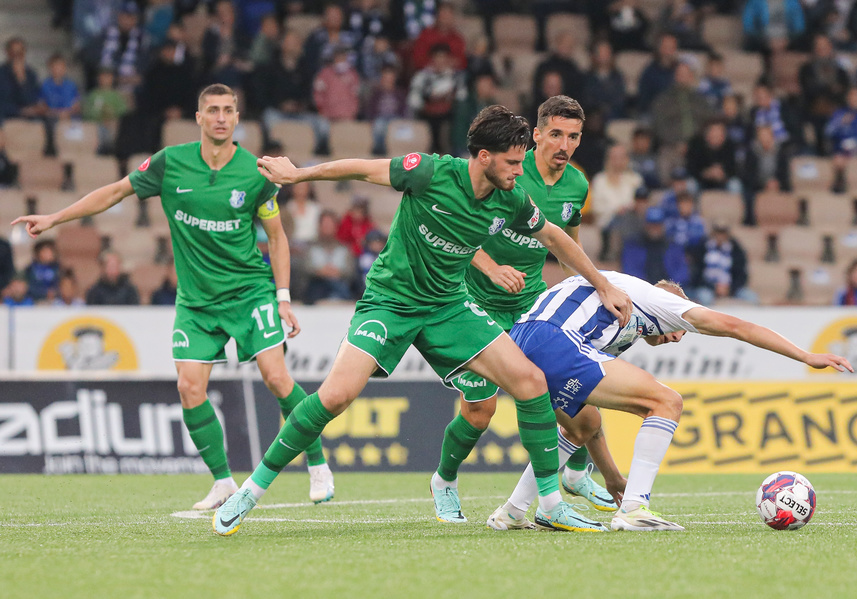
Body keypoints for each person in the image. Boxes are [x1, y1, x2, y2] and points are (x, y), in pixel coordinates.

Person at [213, 104, 634, 535]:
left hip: (449, 305)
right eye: (511, 162)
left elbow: (553, 236)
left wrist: (602, 284)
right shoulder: (429, 172)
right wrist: (299, 174)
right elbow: (361, 168)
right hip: (391, 301)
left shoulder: (511, 197)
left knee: (530, 382)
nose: (518, 170)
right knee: (335, 397)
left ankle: (548, 504)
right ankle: (252, 490)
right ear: (483, 157)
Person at [12, 83, 334, 510]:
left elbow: (276, 239)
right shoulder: (170, 164)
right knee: (189, 387)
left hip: (249, 293)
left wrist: (284, 297)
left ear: (237, 119)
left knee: (276, 376)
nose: (221, 117)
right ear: (198, 118)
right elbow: (114, 193)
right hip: (197, 301)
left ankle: (316, 460)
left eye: (228, 111)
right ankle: (223, 482)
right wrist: (55, 217)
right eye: (212, 110)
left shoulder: (255, 173)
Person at [487, 272, 852, 531]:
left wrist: (613, 476)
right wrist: (804, 356)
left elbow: (590, 427)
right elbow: (738, 327)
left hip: (519, 342)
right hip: (552, 339)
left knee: (585, 423)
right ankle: (634, 508)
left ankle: (513, 511)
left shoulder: (620, 312)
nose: (679, 337)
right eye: (679, 329)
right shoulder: (661, 301)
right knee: (666, 401)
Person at [430, 96, 617, 524]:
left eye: (573, 136)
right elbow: (456, 225)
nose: (564, 144)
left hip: (531, 304)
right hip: (472, 302)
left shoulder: (577, 185)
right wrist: (491, 267)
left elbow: (566, 243)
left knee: (577, 397)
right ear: (536, 135)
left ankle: (572, 473)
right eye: (555, 134)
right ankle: (444, 480)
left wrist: (592, 286)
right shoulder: (508, 169)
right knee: (481, 410)